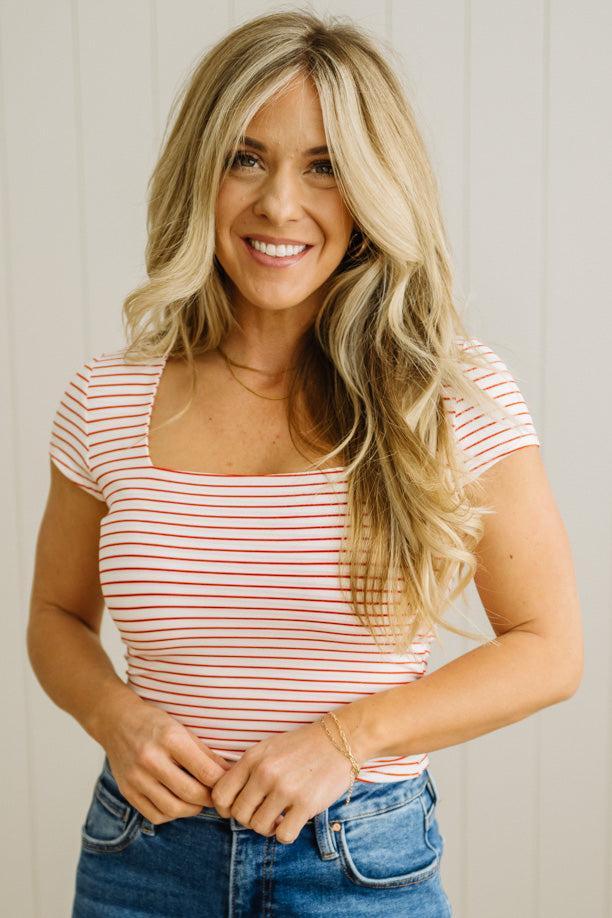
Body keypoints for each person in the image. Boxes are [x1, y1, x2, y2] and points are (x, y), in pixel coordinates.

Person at [28, 9, 583, 918]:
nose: (280, 205)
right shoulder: (107, 399)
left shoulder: (448, 395)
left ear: (373, 186)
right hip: (141, 860)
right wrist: (112, 715)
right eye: (246, 157)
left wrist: (346, 738)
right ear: (199, 174)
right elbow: (55, 617)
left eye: (324, 166)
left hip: (358, 865)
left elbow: (550, 649)